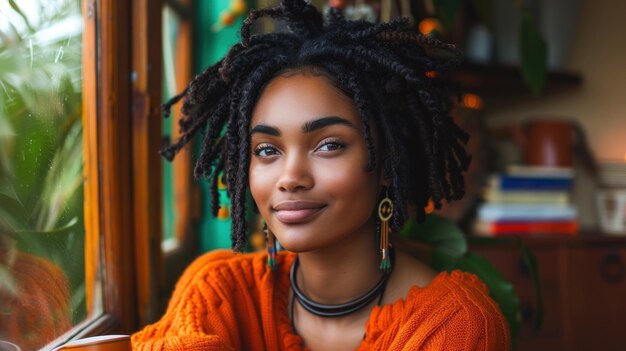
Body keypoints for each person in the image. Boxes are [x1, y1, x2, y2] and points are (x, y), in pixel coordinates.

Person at [132, 0, 510, 349]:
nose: (290, 177)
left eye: (329, 145)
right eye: (267, 150)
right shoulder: (220, 291)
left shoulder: (451, 324)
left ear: (386, 162)